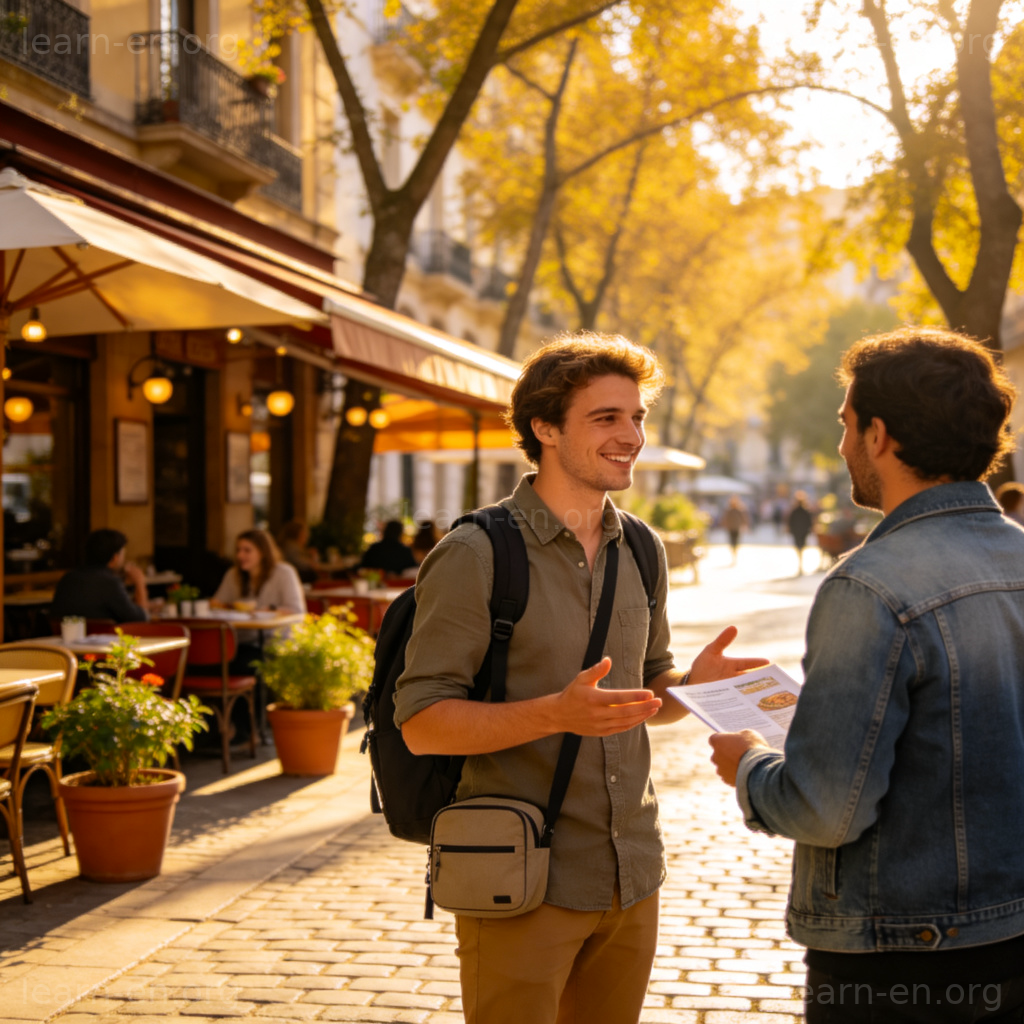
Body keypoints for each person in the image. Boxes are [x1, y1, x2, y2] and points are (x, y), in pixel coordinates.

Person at [395, 332, 767, 1024]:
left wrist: (692, 684)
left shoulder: (643, 547)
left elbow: (646, 688)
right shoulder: (476, 554)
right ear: (544, 428)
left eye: (637, 418)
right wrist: (554, 714)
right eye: (607, 418)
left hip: (632, 872)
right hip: (522, 877)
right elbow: (420, 724)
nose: (631, 436)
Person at [709, 327, 1024, 1024]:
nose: (844, 444)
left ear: (879, 435)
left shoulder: (870, 585)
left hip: (903, 956)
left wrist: (750, 765)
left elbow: (825, 809)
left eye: (848, 425)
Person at [212, 528, 306, 651]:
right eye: (238, 550)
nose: (240, 555)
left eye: (247, 550)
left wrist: (270, 610)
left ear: (262, 552)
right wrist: (231, 606)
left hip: (275, 641)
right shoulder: (233, 574)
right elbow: (215, 603)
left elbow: (297, 611)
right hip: (240, 641)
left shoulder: (284, 572)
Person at [50, 528, 149, 623]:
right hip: (103, 639)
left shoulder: (68, 578)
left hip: (62, 638)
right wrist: (139, 582)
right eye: (123, 554)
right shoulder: (110, 583)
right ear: (114, 558)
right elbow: (141, 619)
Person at [276, 519, 318, 584]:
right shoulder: (291, 546)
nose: (307, 537)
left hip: (290, 576)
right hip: (293, 577)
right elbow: (306, 565)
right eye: (304, 533)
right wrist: (312, 557)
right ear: (299, 534)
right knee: (312, 575)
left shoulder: (291, 545)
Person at [786, 491, 814, 575]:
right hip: (802, 531)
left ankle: (800, 563)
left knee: (799, 547)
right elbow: (809, 522)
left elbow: (790, 521)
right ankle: (800, 563)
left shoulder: (795, 511)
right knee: (801, 546)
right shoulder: (804, 511)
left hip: (798, 531)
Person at [720, 495, 748, 564]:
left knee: (735, 541)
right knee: (731, 541)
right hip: (730, 527)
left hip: (736, 527)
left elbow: (743, 518)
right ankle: (733, 551)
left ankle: (734, 551)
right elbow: (725, 518)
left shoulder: (739, 510)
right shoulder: (728, 510)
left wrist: (745, 525)